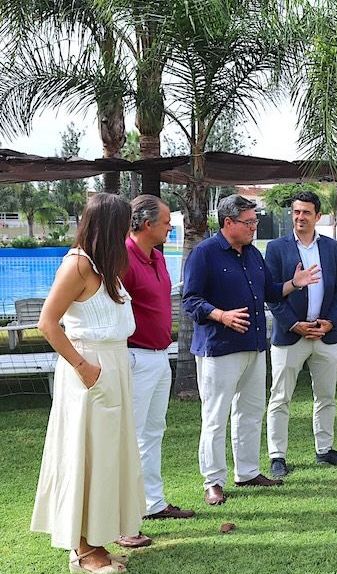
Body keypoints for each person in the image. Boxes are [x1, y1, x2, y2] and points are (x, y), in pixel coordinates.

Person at [31, 193, 144, 574]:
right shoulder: (77, 265)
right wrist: (83, 367)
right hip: (89, 374)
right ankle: (81, 548)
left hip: (113, 370)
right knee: (85, 456)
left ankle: (96, 539)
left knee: (107, 458)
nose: (130, 230)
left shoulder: (106, 266)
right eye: (125, 223)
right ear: (110, 226)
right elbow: (47, 322)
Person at [183, 195, 319, 506]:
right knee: (215, 417)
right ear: (228, 223)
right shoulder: (204, 254)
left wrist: (294, 283)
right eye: (249, 223)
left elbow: (271, 291)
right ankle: (213, 482)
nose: (254, 228)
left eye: (255, 222)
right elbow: (190, 300)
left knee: (250, 412)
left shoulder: (253, 255)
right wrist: (221, 315)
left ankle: (247, 472)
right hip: (219, 349)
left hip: (254, 346)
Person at [118, 195, 194, 552]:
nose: (169, 227)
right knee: (130, 438)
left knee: (153, 431)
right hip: (134, 357)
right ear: (146, 224)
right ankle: (122, 517)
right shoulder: (123, 259)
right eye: (165, 223)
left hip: (159, 356)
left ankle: (153, 503)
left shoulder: (159, 257)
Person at [265, 191, 337, 478]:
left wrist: (329, 322)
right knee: (280, 398)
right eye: (296, 212)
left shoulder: (331, 247)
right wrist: (294, 324)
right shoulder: (277, 248)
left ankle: (324, 450)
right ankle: (277, 456)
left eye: (306, 213)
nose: (300, 217)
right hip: (291, 335)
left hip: (324, 334)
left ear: (318, 216)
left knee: (326, 396)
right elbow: (272, 294)